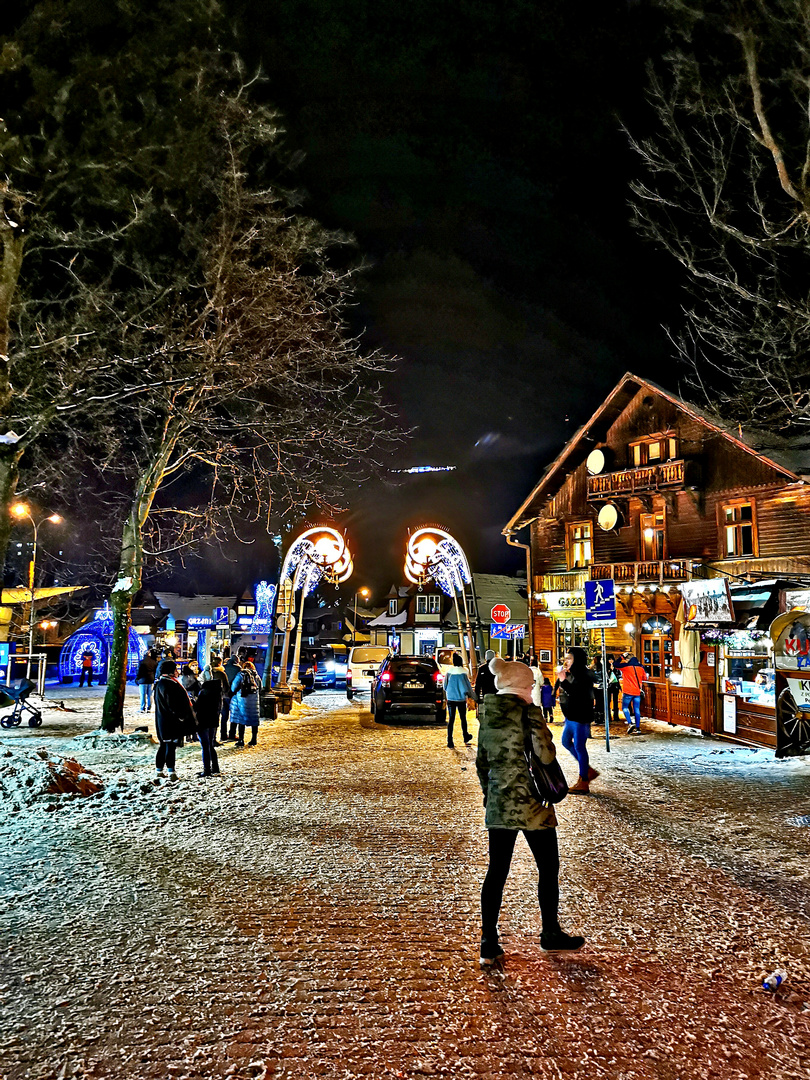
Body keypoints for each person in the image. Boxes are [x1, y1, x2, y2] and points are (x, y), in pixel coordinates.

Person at [476, 655, 585, 967]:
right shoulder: (530, 714)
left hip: (500, 802)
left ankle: (488, 940)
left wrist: (491, 793)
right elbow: (546, 754)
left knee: (496, 872)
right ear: (522, 686)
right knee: (548, 868)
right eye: (530, 684)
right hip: (533, 804)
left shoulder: (489, 718)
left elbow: (482, 764)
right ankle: (550, 932)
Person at [558, 646, 599, 795]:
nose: (566, 661)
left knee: (580, 746)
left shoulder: (584, 674)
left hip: (581, 716)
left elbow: (578, 694)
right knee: (566, 742)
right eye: (566, 658)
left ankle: (584, 781)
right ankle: (587, 770)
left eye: (569, 658)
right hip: (571, 715)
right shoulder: (573, 673)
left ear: (577, 659)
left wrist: (563, 681)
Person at [152, 659, 195, 781]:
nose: (177, 672)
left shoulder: (161, 683)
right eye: (175, 669)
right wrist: (181, 716)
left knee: (164, 745)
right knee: (170, 746)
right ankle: (171, 772)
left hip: (162, 719)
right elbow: (173, 704)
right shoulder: (169, 684)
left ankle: (159, 771)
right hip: (170, 721)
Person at [229, 648, 260, 748]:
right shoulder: (256, 675)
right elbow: (261, 686)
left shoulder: (241, 674)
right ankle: (254, 739)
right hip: (254, 700)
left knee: (241, 719)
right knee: (254, 719)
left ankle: (241, 740)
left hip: (242, 699)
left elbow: (234, 687)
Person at [444, 652, 475, 748]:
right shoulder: (464, 672)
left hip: (451, 698)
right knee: (463, 719)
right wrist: (474, 697)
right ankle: (465, 736)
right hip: (461, 699)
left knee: (451, 720)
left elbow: (445, 686)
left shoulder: (449, 672)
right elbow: (468, 686)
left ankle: (450, 740)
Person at [615, 649, 648, 734]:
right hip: (637, 691)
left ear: (628, 660)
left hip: (628, 691)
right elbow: (645, 678)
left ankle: (630, 723)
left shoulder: (626, 667)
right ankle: (638, 728)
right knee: (636, 709)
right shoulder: (641, 668)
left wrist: (621, 657)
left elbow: (615, 664)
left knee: (625, 707)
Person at [194, 678, 222, 777]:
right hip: (213, 721)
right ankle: (215, 767)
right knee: (210, 745)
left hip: (203, 721)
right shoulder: (217, 693)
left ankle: (207, 770)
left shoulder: (204, 692)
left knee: (205, 746)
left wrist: (193, 702)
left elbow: (197, 707)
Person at [203, 653, 232, 743]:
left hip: (208, 698)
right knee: (223, 717)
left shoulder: (207, 673)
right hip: (221, 697)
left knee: (212, 718)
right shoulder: (221, 673)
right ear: (220, 663)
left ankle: (211, 737)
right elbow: (226, 686)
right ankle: (222, 735)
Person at [224, 650, 242, 740]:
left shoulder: (223, 668)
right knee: (234, 715)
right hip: (233, 694)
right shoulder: (238, 669)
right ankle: (232, 734)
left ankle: (223, 734)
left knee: (224, 715)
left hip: (223, 695)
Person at [606, 655, 621, 724]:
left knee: (615, 700)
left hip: (615, 685)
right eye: (609, 659)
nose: (611, 661)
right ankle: (608, 716)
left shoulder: (616, 668)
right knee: (608, 701)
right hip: (608, 686)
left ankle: (616, 716)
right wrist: (610, 670)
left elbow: (618, 676)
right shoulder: (605, 668)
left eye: (612, 659)